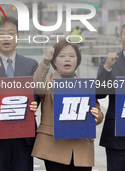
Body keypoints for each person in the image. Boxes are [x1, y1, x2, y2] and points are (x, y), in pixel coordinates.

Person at [32, 39, 103, 171]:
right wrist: (46, 60)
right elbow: (36, 84)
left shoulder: (86, 84)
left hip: (82, 151)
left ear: (77, 61)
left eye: (71, 56)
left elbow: (98, 114)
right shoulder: (48, 82)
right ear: (54, 61)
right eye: (62, 56)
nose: (67, 60)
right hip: (54, 149)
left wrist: (97, 116)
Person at [0, 16, 39, 171]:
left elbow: (36, 92)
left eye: (10, 33)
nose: (6, 38)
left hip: (23, 130)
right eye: (1, 33)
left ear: (17, 36)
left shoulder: (31, 64)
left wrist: (35, 102)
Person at [96, 20, 125, 171]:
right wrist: (107, 67)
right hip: (117, 136)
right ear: (120, 36)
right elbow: (98, 94)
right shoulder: (110, 62)